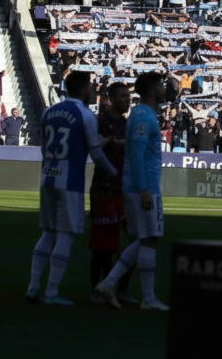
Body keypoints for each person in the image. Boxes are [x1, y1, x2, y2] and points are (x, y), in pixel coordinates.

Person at [27, 71, 119, 306]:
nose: (91, 89)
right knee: (66, 235)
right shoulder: (85, 115)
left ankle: (33, 287)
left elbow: (43, 147)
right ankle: (51, 292)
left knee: (47, 232)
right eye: (89, 86)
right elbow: (96, 152)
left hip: (47, 176)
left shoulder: (49, 112)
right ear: (82, 89)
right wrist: (115, 173)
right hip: (70, 181)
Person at [95, 72, 170, 311]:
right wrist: (144, 189)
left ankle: (109, 283)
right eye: (160, 85)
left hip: (138, 186)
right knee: (150, 239)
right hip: (143, 187)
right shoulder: (142, 117)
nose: (163, 89)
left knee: (145, 239)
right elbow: (136, 154)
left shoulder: (141, 114)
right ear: (151, 90)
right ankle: (145, 297)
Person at [89, 82, 135, 306]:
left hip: (124, 190)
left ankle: (120, 289)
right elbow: (93, 145)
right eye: (123, 96)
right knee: (103, 246)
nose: (128, 99)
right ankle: (97, 291)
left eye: (129, 96)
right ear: (111, 98)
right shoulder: (100, 121)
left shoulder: (126, 124)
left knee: (135, 240)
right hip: (103, 188)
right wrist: (110, 141)